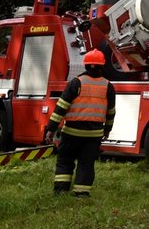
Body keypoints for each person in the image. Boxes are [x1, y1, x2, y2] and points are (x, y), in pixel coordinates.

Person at [44, 48, 116, 197]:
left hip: (72, 133)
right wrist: (107, 130)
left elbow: (61, 108)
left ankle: (61, 190)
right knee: (86, 163)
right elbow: (111, 112)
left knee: (65, 160)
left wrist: (51, 128)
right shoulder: (108, 86)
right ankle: (81, 193)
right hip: (94, 135)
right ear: (102, 66)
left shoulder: (76, 83)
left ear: (85, 65)